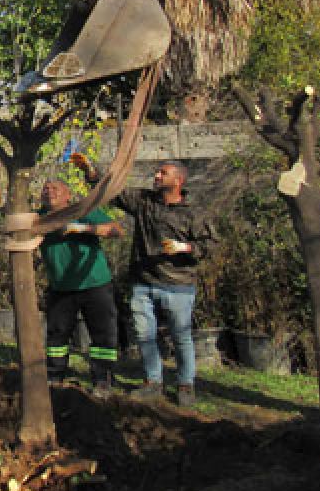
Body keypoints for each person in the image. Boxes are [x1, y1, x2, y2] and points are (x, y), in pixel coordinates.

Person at [74, 155, 215, 408]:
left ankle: (185, 385)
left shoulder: (194, 213)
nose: (157, 176)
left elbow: (212, 245)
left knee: (180, 336)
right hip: (143, 282)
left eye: (163, 173)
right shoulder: (144, 202)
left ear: (179, 180)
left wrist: (185, 247)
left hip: (178, 284)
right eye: (157, 172)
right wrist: (92, 173)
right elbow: (113, 193)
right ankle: (153, 382)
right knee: (145, 335)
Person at [37, 179, 124, 396]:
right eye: (45, 189)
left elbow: (116, 230)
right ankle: (54, 377)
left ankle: (102, 380)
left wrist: (83, 228)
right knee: (57, 335)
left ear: (68, 195)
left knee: (102, 333)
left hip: (94, 283)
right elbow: (16, 224)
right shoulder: (39, 218)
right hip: (61, 287)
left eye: (55, 188)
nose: (49, 192)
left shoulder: (82, 211)